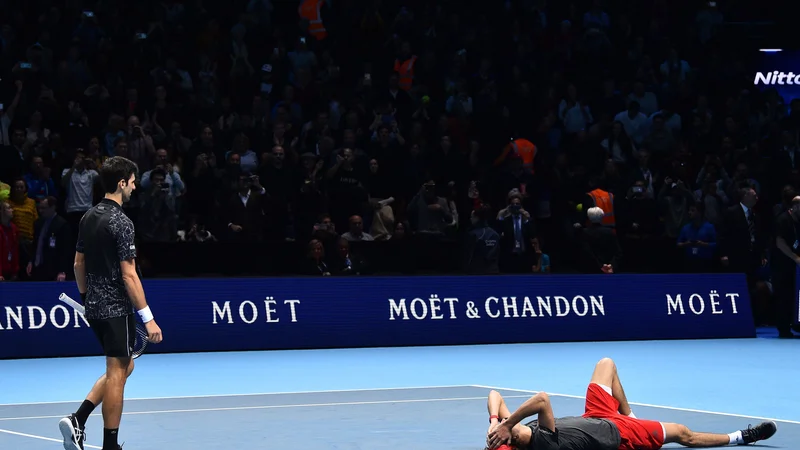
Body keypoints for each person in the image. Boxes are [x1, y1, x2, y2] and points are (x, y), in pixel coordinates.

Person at [59, 156, 163, 450]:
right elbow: (129, 274)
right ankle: (110, 446)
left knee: (124, 366)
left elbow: (78, 263)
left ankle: (79, 419)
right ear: (121, 183)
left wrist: (85, 298)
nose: (134, 188)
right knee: (118, 373)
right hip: (117, 308)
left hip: (95, 307)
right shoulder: (121, 221)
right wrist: (148, 318)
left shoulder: (87, 216)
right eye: (132, 182)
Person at [485, 358, 776, 450]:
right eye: (519, 430)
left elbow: (495, 395)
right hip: (618, 434)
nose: (521, 428)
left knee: (606, 364)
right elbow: (542, 398)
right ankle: (741, 437)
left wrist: (496, 422)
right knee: (681, 433)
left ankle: (633, 414)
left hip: (594, 415)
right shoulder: (544, 439)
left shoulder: (513, 437)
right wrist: (507, 423)